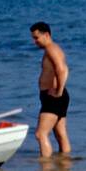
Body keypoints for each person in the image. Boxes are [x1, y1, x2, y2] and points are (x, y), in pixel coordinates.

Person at [30, 22, 70, 156]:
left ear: (46, 35)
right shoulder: (52, 49)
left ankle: (45, 170)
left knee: (40, 134)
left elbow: (63, 70)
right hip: (56, 96)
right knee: (60, 133)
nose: (34, 41)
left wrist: (58, 91)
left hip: (54, 97)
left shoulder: (52, 49)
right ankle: (65, 167)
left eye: (36, 38)